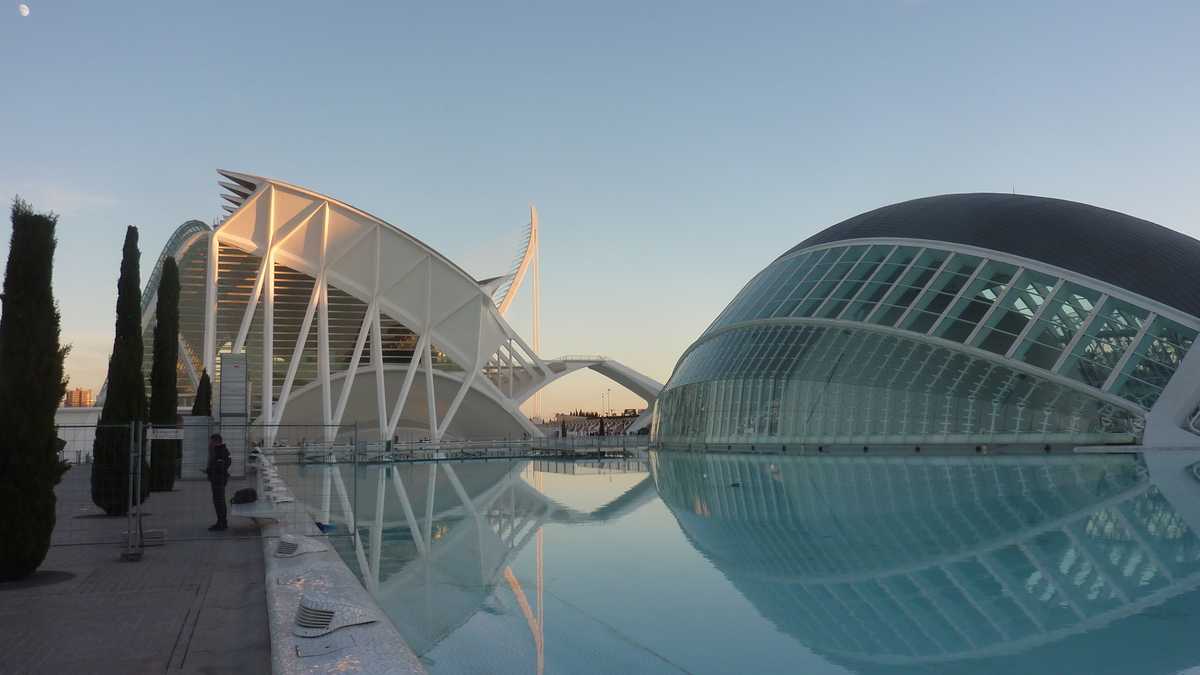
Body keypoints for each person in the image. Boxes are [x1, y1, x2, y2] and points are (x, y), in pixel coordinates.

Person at [205, 433, 232, 531]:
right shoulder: (221, 451)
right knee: (218, 502)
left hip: (218, 480)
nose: (209, 444)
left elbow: (220, 466)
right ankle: (221, 521)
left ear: (216, 441)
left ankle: (222, 523)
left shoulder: (220, 451)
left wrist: (210, 470)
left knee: (219, 502)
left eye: (211, 441)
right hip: (218, 479)